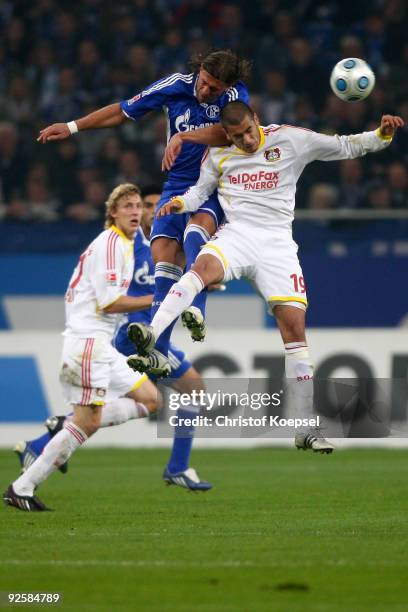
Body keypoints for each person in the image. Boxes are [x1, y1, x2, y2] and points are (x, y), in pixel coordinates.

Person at [126, 101, 404, 453]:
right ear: (226, 134)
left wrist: (382, 135)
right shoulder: (219, 155)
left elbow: (345, 146)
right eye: (237, 135)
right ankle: (152, 333)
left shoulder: (289, 139)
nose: (245, 140)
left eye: (248, 131)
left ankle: (305, 427)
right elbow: (200, 191)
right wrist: (181, 203)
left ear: (256, 120)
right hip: (238, 235)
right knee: (199, 270)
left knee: (294, 331)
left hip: (277, 246)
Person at [37, 50, 251, 374]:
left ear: (228, 87)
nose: (207, 92)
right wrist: (72, 126)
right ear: (199, 71)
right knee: (164, 257)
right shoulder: (175, 86)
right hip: (178, 182)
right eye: (206, 83)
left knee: (195, 233)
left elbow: (233, 132)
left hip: (217, 182)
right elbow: (123, 111)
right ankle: (159, 351)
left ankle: (197, 307)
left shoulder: (236, 95)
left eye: (215, 89)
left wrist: (184, 135)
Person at [12, 186, 213, 492]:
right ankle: (178, 467)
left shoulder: (166, 247)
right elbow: (112, 296)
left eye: (158, 205)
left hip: (143, 334)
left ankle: (49, 435)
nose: (150, 211)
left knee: (138, 400)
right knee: (190, 390)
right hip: (132, 335)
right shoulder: (130, 247)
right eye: (143, 205)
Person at [4, 184, 162, 512]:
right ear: (112, 213)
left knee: (150, 399)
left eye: (138, 206)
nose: (135, 211)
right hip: (88, 345)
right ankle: (23, 487)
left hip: (100, 346)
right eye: (127, 206)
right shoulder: (111, 245)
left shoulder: (127, 245)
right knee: (87, 423)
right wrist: (161, 298)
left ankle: (64, 425)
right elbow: (109, 303)